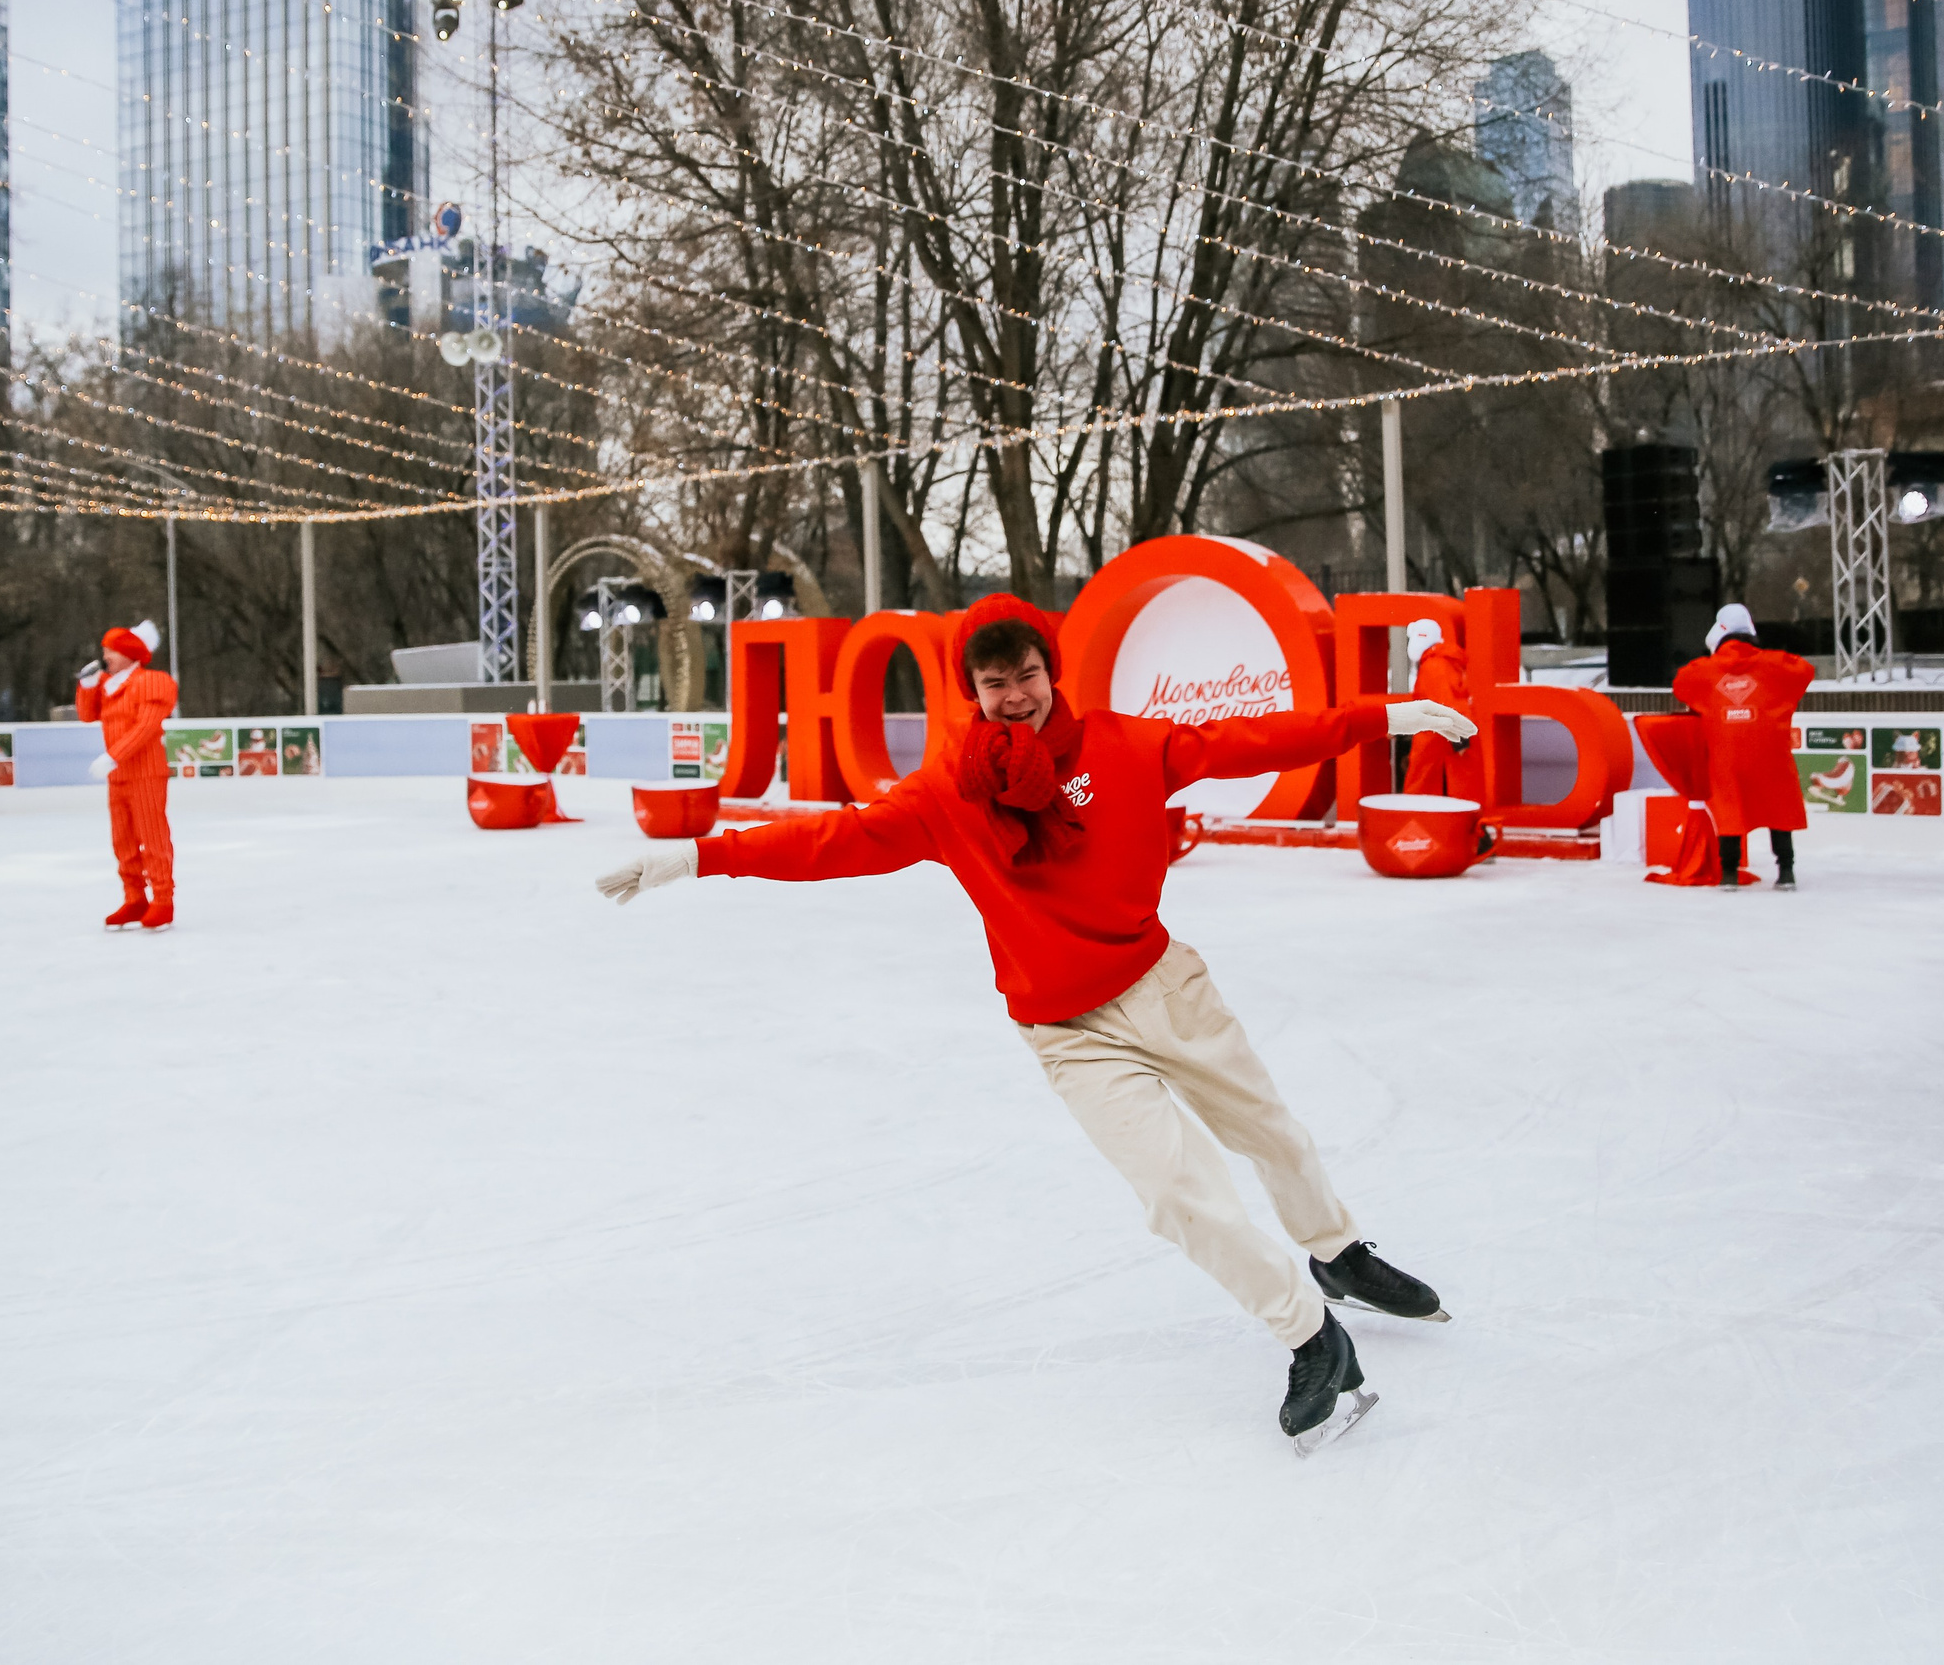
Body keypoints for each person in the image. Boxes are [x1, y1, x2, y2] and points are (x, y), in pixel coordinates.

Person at [595, 595, 1475, 1452]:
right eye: (993, 682)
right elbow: (832, 842)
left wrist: (1392, 714)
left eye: (1026, 674)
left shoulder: (1126, 744)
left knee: (1271, 1134)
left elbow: (1261, 740)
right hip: (1070, 1033)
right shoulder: (949, 793)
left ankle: (1336, 1250)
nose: (1014, 695)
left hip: (1165, 985)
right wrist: (697, 855)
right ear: (968, 691)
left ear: (1051, 670)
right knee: (1178, 1195)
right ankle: (1311, 1335)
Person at [1670, 603, 1815, 891]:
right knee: (1779, 807)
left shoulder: (1705, 670)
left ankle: (1729, 874)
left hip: (1728, 754)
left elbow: (1680, 683)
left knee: (1730, 808)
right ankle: (1786, 871)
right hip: (1771, 754)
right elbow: (1805, 671)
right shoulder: (1776, 664)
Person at [75, 620, 179, 930]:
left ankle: (162, 900)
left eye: (111, 650)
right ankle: (134, 898)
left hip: (145, 772)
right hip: (118, 776)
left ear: (129, 653)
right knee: (123, 841)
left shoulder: (153, 682)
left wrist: (113, 755)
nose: (105, 656)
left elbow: (146, 726)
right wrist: (87, 686)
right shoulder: (109, 685)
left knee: (152, 836)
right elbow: (86, 715)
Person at [1399, 618, 1478, 798]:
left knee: (1420, 789)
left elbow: (1445, 701)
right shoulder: (1442, 663)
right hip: (1437, 738)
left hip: (1434, 740)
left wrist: (1459, 739)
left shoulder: (1434, 666)